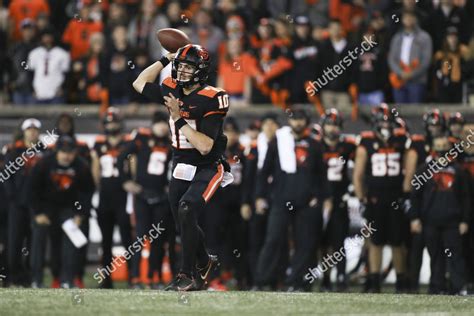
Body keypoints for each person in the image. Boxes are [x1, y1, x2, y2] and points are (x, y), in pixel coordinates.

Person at [133, 44, 232, 291]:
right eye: (182, 65)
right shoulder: (171, 87)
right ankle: (205, 262)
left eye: (189, 67)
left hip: (208, 166)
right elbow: (139, 82)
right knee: (182, 221)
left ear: (201, 71)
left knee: (187, 209)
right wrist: (165, 58)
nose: (183, 70)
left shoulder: (214, 96)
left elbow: (206, 146)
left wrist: (177, 118)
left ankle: (186, 274)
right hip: (181, 163)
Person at [254, 108, 329, 292]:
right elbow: (264, 173)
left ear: (307, 122)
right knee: (273, 239)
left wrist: (320, 198)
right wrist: (259, 196)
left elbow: (322, 176)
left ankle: (298, 283)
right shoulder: (278, 143)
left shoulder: (315, 145)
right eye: (294, 119)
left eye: (301, 119)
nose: (298, 123)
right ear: (289, 122)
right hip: (280, 199)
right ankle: (262, 281)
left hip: (306, 202)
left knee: (305, 243)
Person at [353, 103, 409, 293]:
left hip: (395, 196)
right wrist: (362, 199)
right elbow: (358, 174)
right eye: (382, 124)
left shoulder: (402, 140)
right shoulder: (366, 142)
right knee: (375, 242)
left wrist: (407, 195)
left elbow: (409, 170)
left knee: (397, 241)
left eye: (389, 124)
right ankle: (374, 281)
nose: (386, 128)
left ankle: (401, 282)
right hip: (375, 198)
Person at [118, 111, 175, 289]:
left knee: (158, 240)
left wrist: (171, 186)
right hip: (142, 194)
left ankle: (153, 277)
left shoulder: (172, 143)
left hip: (161, 196)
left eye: (164, 123)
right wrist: (125, 180)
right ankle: (135, 278)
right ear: (153, 124)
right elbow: (121, 157)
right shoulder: (142, 138)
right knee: (140, 238)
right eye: (159, 123)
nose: (162, 127)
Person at [30, 135, 94, 288]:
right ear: (57, 151)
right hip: (46, 207)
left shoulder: (81, 166)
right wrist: (38, 213)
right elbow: (32, 189)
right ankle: (36, 280)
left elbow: (87, 192)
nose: (67, 156)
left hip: (68, 208)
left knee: (72, 239)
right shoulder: (44, 163)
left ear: (75, 153)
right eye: (64, 151)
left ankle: (68, 280)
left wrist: (80, 214)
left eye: (70, 152)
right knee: (38, 238)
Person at [409, 134, 470, 295]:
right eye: (439, 146)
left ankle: (458, 287)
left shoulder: (458, 171)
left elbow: (465, 197)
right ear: (432, 148)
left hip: (452, 222)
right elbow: (415, 196)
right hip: (430, 221)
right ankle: (437, 287)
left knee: (455, 255)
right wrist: (414, 218)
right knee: (435, 256)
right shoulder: (423, 169)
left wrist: (465, 220)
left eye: (444, 146)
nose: (442, 150)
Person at [403, 108, 447, 293]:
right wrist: (410, 202)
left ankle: (436, 285)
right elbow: (410, 176)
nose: (434, 128)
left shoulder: (448, 143)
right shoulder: (418, 144)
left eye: (437, 125)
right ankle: (412, 285)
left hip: (440, 201)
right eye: (431, 125)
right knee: (416, 247)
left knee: (439, 250)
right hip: (421, 199)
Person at [91, 107, 135, 288]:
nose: (112, 126)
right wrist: (100, 187)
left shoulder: (127, 143)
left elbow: (132, 167)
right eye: (109, 123)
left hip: (124, 196)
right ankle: (106, 279)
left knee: (128, 240)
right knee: (106, 240)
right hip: (106, 196)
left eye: (114, 122)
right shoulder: (99, 144)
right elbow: (96, 170)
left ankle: (134, 277)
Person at [204, 117, 247, 290]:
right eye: (226, 132)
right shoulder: (212, 151)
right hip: (214, 202)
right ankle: (212, 278)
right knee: (213, 240)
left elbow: (249, 179)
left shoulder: (244, 152)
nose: (230, 135)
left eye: (233, 132)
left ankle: (231, 274)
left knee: (234, 241)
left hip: (236, 203)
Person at [4, 118, 46, 286]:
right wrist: (14, 198)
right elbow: (6, 177)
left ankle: (31, 278)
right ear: (24, 131)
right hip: (18, 204)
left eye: (35, 129)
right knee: (14, 242)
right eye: (29, 129)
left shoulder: (45, 151)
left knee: (34, 243)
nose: (32, 132)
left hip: (37, 205)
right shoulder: (14, 150)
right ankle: (15, 276)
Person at [319, 109, 356, 292]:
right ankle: (325, 278)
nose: (332, 128)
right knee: (322, 243)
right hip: (320, 201)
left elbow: (359, 170)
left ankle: (341, 276)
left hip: (340, 199)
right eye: (329, 124)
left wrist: (351, 190)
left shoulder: (349, 147)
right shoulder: (316, 145)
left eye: (335, 124)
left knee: (338, 242)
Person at [388, 11, 432, 104]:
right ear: (402, 20)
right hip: (399, 79)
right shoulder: (396, 37)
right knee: (399, 111)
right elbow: (391, 59)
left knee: (415, 112)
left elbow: (426, 61)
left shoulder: (425, 37)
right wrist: (400, 73)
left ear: (416, 19)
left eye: (411, 17)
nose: (408, 19)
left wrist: (412, 74)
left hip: (417, 81)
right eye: (406, 17)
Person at [27, 28, 70, 104]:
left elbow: (67, 74)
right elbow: (30, 73)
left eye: (49, 36)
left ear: (53, 37)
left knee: (56, 115)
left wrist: (63, 88)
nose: (47, 39)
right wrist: (32, 90)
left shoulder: (62, 53)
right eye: (45, 36)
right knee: (36, 115)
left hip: (56, 93)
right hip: (38, 93)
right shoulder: (34, 53)